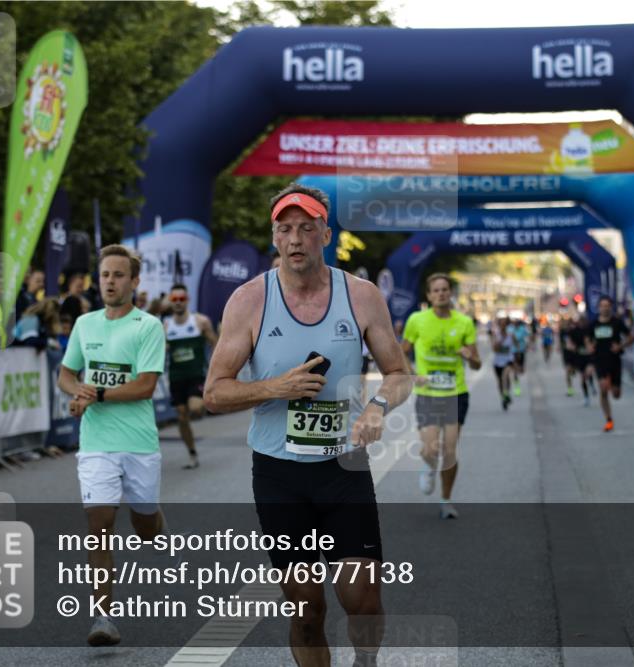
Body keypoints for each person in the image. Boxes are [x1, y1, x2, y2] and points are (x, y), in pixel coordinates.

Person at [203, 183, 412, 667]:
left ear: (325, 234)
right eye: (285, 228)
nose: (295, 238)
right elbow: (214, 392)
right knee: (306, 612)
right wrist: (275, 387)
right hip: (279, 474)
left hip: (343, 468)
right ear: (274, 237)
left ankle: (365, 662)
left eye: (306, 228)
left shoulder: (360, 296)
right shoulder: (248, 301)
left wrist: (377, 405)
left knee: (362, 602)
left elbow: (400, 374)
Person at [57, 244, 167, 647]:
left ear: (134, 282)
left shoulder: (147, 327)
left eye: (119, 275)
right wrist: (77, 391)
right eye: (105, 275)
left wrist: (97, 395)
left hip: (138, 443)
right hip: (96, 443)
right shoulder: (85, 324)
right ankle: (103, 617)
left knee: (144, 527)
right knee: (98, 526)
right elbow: (67, 373)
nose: (110, 282)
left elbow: (145, 385)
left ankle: (154, 516)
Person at [401, 273, 480, 519]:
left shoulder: (464, 322)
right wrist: (413, 374)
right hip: (427, 393)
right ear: (429, 295)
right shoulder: (417, 320)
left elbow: (477, 363)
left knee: (449, 451)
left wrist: (469, 357)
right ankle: (428, 464)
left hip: (455, 393)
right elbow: (401, 352)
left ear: (451, 293)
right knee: (430, 448)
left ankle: (446, 500)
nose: (441, 294)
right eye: (436, 290)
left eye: (445, 289)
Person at [164, 283, 218, 469]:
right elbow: (161, 351)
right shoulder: (166, 326)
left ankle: (203, 405)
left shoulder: (200, 321)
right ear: (170, 302)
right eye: (174, 299)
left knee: (195, 409)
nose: (178, 303)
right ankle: (192, 451)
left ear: (187, 300)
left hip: (196, 375)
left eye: (181, 299)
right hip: (176, 377)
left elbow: (215, 344)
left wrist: (217, 370)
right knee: (181, 416)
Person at [584, 296, 634, 432]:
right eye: (602, 305)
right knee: (603, 389)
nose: (604, 308)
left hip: (614, 360)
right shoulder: (593, 324)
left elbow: (631, 336)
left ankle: (613, 385)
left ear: (610, 307)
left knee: (616, 395)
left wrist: (621, 346)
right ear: (598, 308)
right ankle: (609, 419)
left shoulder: (617, 323)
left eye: (607, 305)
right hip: (600, 360)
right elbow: (587, 338)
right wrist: (589, 346)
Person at [490, 315, 515, 410]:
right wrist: (500, 342)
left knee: (506, 376)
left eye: (505, 325)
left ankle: (506, 393)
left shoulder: (511, 335)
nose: (503, 327)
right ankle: (503, 397)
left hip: (508, 360)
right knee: (500, 381)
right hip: (497, 361)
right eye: (501, 325)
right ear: (499, 325)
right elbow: (494, 349)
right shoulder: (496, 335)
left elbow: (515, 346)